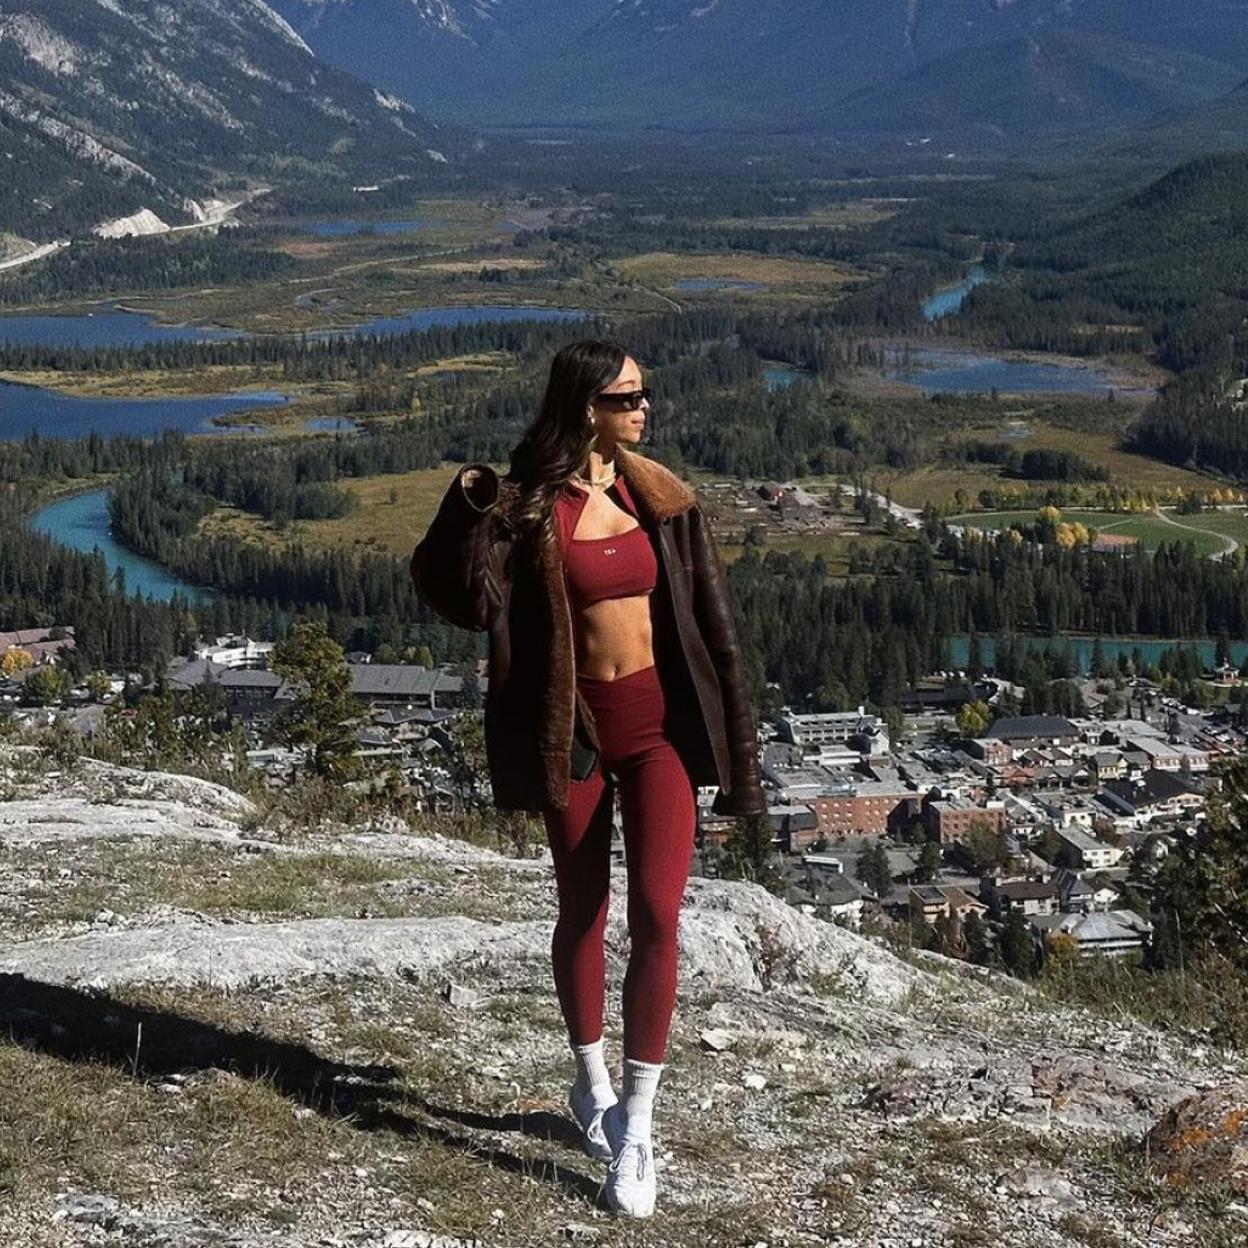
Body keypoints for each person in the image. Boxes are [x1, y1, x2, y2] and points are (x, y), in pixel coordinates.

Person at [410, 339, 764, 1217]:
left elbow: (713, 627)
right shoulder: (530, 508)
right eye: (626, 398)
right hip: (571, 733)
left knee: (659, 915)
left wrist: (739, 751)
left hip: (660, 732)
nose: (644, 410)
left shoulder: (663, 500)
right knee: (583, 908)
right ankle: (589, 1079)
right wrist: (470, 505)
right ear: (585, 408)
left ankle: (636, 1129)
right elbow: (460, 599)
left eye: (643, 396)